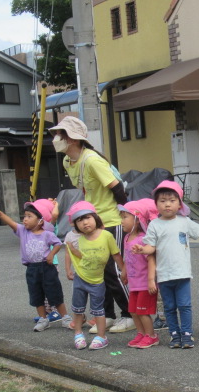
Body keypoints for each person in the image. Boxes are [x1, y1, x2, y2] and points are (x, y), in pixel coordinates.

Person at [49, 116, 133, 334]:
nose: (57, 138)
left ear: (74, 139)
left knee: (113, 270)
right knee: (99, 270)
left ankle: (130, 314)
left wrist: (125, 215)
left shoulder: (93, 160)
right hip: (93, 221)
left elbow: (117, 188)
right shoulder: (67, 162)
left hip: (111, 220)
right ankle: (107, 316)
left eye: (61, 134)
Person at [132, 181, 199, 349]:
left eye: (172, 200)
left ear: (179, 204)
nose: (167, 204)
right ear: (156, 205)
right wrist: (142, 249)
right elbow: (151, 247)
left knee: (184, 305)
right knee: (169, 307)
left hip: (182, 273)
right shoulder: (155, 224)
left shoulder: (184, 221)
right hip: (164, 275)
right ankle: (174, 334)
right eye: (162, 201)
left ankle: (187, 334)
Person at [0, 200, 71, 332]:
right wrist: (0, 214)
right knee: (36, 294)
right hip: (32, 269)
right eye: (24, 216)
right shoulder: (23, 231)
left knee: (55, 293)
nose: (25, 219)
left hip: (47, 268)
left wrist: (51, 255)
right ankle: (43, 319)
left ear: (40, 221)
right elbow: (11, 223)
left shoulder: (47, 234)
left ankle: (66, 318)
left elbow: (57, 244)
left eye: (29, 216)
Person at [65, 202, 124, 350]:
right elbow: (81, 256)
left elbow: (116, 254)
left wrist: (124, 270)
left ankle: (102, 337)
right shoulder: (80, 239)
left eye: (87, 218)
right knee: (78, 309)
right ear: (75, 225)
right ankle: (78, 333)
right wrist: (69, 262)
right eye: (80, 220)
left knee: (98, 310)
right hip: (80, 279)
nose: (85, 222)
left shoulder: (106, 235)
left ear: (95, 218)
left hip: (97, 281)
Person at [119, 200, 159, 349]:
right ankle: (141, 333)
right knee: (133, 311)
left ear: (137, 220)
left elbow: (151, 259)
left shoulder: (143, 239)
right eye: (121, 217)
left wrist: (151, 280)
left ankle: (151, 336)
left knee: (142, 312)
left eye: (125, 217)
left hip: (144, 284)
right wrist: (124, 272)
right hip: (134, 284)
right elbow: (127, 258)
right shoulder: (126, 238)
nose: (121, 221)